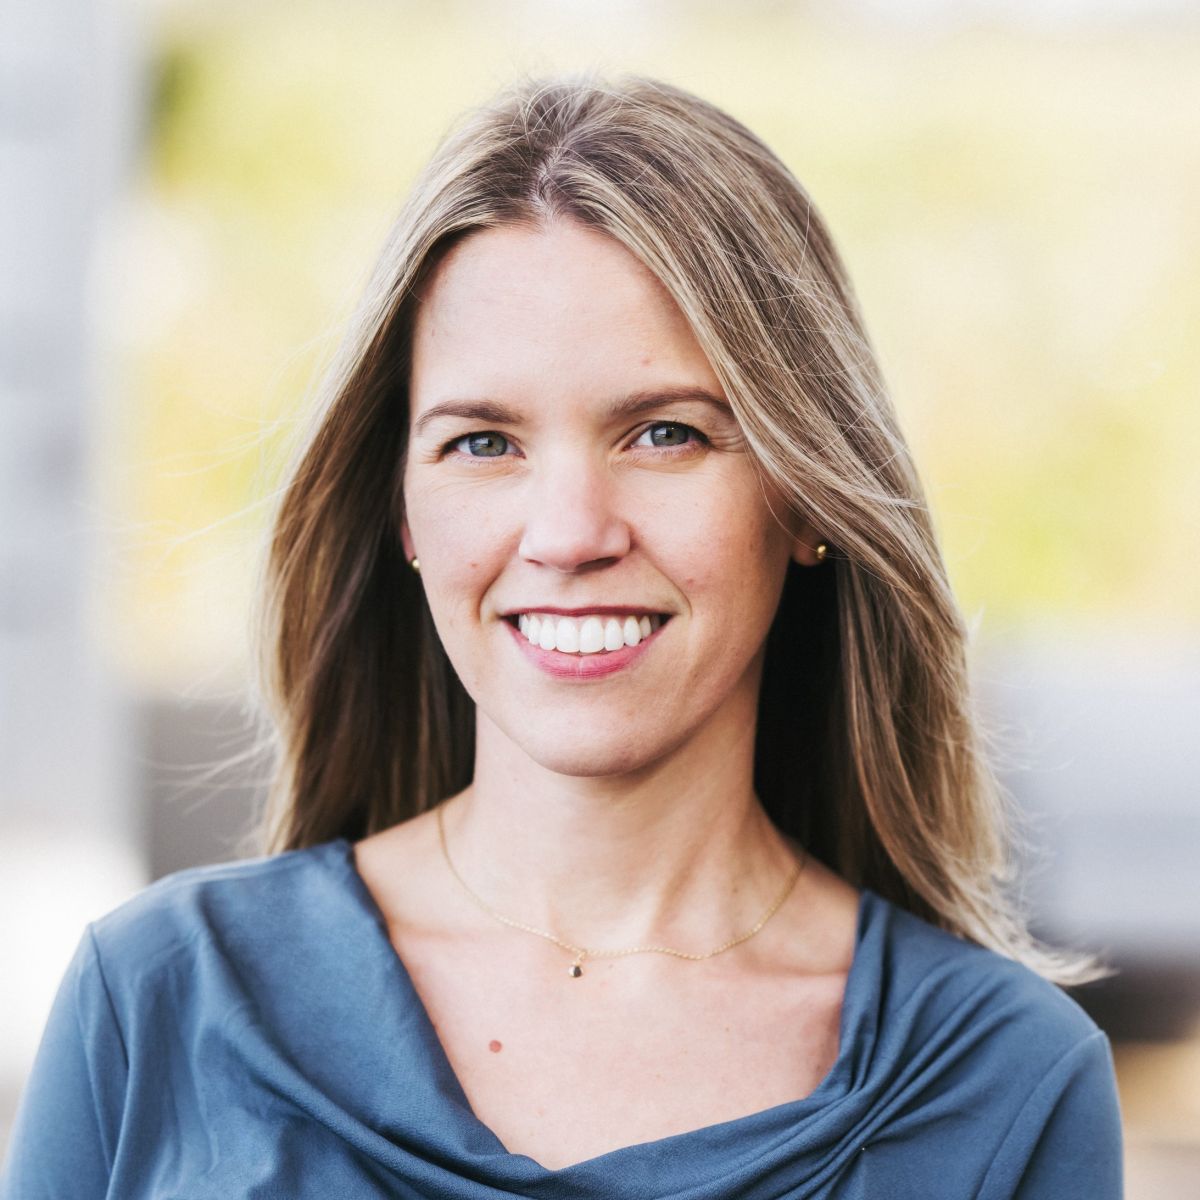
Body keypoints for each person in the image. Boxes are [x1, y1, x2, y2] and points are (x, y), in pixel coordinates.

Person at [2, 73, 1123, 1198]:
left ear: (804, 498)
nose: (570, 534)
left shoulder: (1003, 1081)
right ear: (399, 509)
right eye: (484, 444)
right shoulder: (155, 999)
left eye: (666, 434)